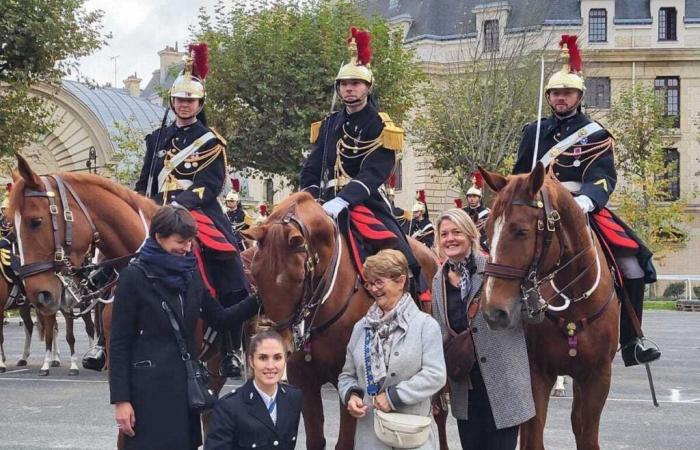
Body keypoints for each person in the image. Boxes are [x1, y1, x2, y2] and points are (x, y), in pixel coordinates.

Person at [512, 34, 660, 367]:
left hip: (581, 206)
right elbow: (519, 175)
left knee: (632, 265)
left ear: (578, 96)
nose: (560, 98)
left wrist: (586, 201)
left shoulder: (596, 134)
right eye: (555, 93)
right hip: (538, 208)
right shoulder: (533, 132)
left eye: (566, 93)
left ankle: (633, 340)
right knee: (502, 255)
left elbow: (604, 177)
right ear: (549, 97)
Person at [134, 43, 248, 377]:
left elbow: (209, 185)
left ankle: (231, 345)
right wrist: (141, 205)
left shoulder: (210, 141)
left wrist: (177, 205)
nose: (185, 105)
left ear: (200, 104)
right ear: (172, 102)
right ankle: (103, 330)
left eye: (191, 100)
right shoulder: (156, 139)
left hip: (197, 210)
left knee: (226, 259)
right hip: (156, 210)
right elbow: (144, 182)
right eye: (180, 100)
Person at [110, 206, 262, 450]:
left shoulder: (191, 276)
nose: (187, 248)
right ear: (159, 237)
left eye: (190, 242)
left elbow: (220, 318)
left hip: (185, 390)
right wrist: (121, 400)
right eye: (180, 241)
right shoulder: (133, 278)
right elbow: (119, 343)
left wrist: (259, 300)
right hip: (147, 393)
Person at [299, 28, 430, 301]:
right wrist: (311, 197)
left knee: (397, 250)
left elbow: (376, 172)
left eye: (355, 83)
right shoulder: (330, 123)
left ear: (368, 87)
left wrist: (344, 200)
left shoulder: (380, 124)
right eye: (344, 83)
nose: (349, 88)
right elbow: (312, 166)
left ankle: (414, 300)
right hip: (325, 201)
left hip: (363, 201)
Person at [431, 209, 534, 450]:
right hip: (465, 385)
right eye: (444, 234)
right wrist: (438, 385)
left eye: (456, 232)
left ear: (470, 234)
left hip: (503, 381)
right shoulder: (439, 279)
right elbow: (440, 330)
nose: (450, 239)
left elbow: (526, 315)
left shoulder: (495, 269)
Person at [338, 249, 446, 450]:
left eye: (379, 282)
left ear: (401, 281)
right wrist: (351, 395)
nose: (373, 289)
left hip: (413, 439)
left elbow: (435, 375)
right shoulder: (361, 327)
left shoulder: (425, 325)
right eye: (370, 283)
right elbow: (347, 375)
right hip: (370, 438)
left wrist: (393, 397)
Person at [205, 330, 303, 450]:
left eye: (277, 357)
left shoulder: (293, 398)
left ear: (285, 360)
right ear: (251, 361)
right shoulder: (228, 407)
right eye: (263, 358)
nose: (271, 366)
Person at [461, 174, 490, 253]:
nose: (471, 199)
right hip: (464, 241)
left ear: (479, 198)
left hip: (482, 243)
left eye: (474, 196)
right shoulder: (462, 211)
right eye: (469, 197)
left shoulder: (487, 213)